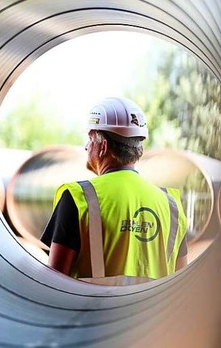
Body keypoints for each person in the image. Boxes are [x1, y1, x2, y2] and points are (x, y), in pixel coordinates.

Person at [41, 97, 188, 283]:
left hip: (91, 312)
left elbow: (54, 283)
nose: (86, 146)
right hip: (155, 312)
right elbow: (181, 280)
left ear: (103, 146)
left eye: (90, 138)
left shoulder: (78, 198)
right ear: (139, 150)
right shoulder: (171, 205)